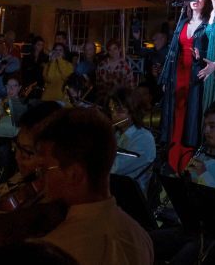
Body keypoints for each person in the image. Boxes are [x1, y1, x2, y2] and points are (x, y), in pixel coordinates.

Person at [35, 106, 154, 265]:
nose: (40, 181)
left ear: (74, 175)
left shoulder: (55, 248)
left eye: (44, 170)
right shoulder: (139, 237)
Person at [151, 102, 215, 265]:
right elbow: (177, 205)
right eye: (205, 126)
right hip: (187, 228)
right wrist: (176, 188)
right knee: (142, 242)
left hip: (214, 237)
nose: (206, 131)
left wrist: (204, 174)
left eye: (212, 126)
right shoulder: (201, 158)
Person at [159, 0, 209, 172]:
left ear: (206, 1)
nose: (195, 0)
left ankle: (186, 163)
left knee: (191, 117)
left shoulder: (208, 23)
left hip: (195, 75)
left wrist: (201, 54)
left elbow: (212, 49)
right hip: (178, 74)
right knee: (176, 116)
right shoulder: (183, 22)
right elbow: (173, 51)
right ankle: (172, 162)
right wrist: (166, 77)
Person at [109, 87, 157, 193]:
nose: (114, 114)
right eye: (112, 109)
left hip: (132, 199)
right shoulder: (116, 134)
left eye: (119, 109)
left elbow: (114, 168)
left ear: (131, 109)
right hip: (114, 193)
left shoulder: (144, 138)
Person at [0, 34, 21, 102]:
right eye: (0, 49)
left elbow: (16, 66)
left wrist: (3, 68)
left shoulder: (13, 59)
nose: (2, 50)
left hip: (9, 92)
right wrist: (0, 66)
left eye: (3, 48)